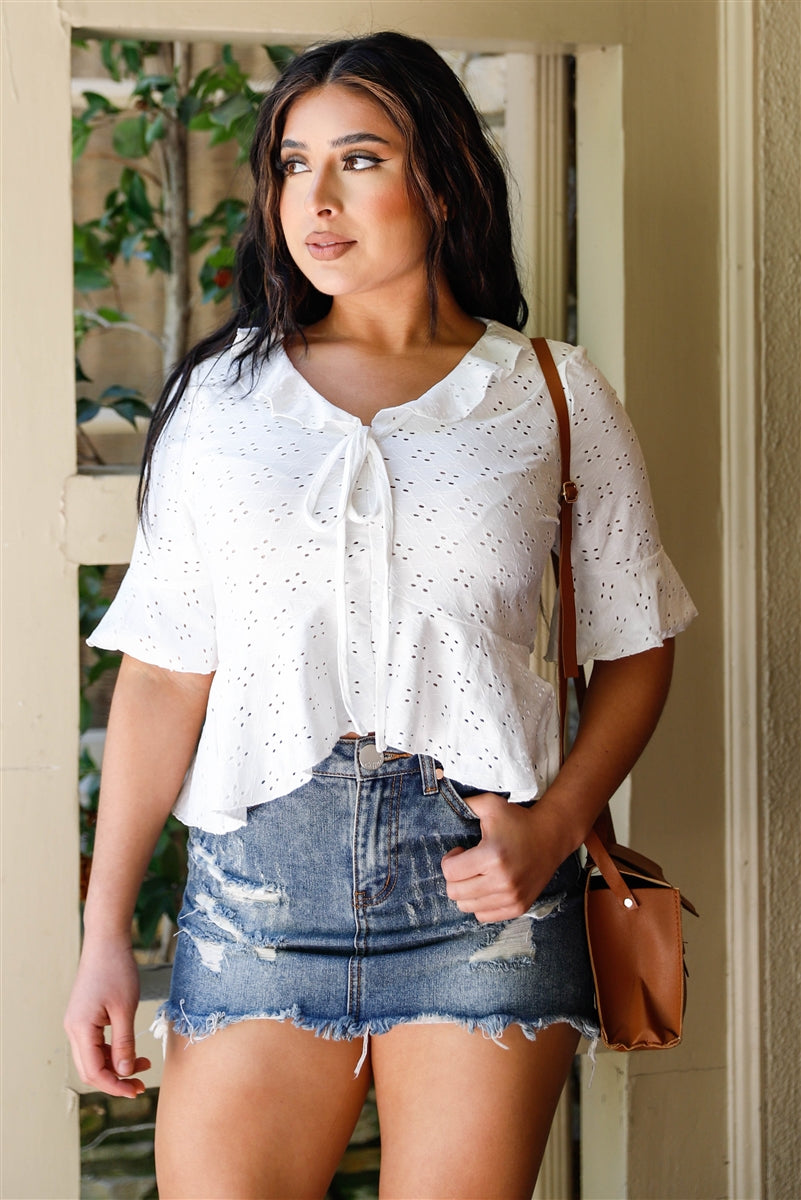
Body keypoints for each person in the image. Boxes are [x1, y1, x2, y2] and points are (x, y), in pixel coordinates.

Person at [65, 31, 696, 1199]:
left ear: (442, 181)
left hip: (485, 895)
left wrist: (557, 826)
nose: (316, 197)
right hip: (257, 893)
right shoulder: (220, 401)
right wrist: (105, 933)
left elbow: (637, 644)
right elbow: (161, 673)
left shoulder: (550, 392)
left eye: (359, 159)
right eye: (292, 163)